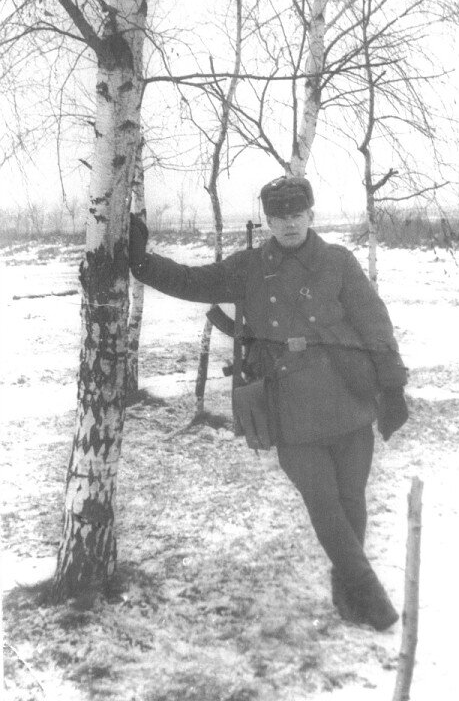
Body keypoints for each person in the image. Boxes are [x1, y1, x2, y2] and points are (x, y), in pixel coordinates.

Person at [129, 176, 409, 631]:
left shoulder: (338, 263)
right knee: (323, 501)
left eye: (297, 215)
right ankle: (370, 594)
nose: (289, 225)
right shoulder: (251, 268)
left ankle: (348, 593)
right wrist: (142, 263)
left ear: (311, 214)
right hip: (290, 406)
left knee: (351, 499)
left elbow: (375, 325)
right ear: (268, 221)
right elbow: (192, 281)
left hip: (347, 396)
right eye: (279, 217)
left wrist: (392, 387)